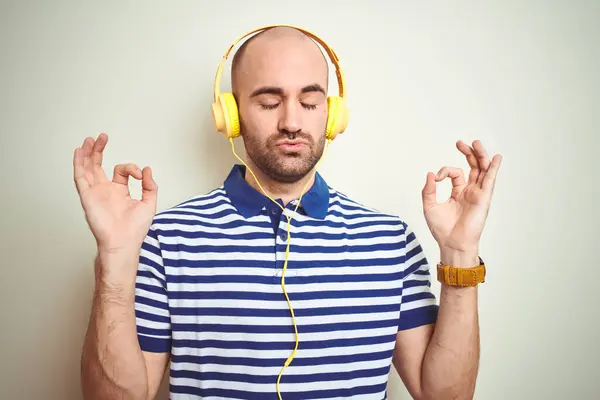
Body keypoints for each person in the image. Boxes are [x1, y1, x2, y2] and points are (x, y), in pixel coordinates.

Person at [74, 26, 502, 400]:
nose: (292, 122)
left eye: (310, 101)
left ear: (333, 116)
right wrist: (114, 257)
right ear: (231, 114)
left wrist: (460, 251)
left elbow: (447, 395)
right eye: (268, 101)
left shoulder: (390, 240)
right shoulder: (168, 238)